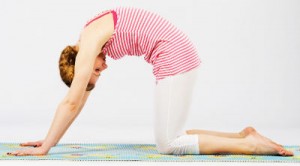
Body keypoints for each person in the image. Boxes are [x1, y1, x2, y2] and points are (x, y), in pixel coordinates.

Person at [8, 7, 293, 156]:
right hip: (175, 53)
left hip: (175, 55)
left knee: (169, 143)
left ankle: (252, 146)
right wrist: (50, 140)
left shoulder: (89, 44)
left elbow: (72, 99)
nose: (102, 69)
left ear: (76, 61)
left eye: (94, 72)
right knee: (175, 131)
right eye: (97, 72)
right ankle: (243, 136)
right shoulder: (90, 37)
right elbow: (79, 99)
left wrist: (45, 148)